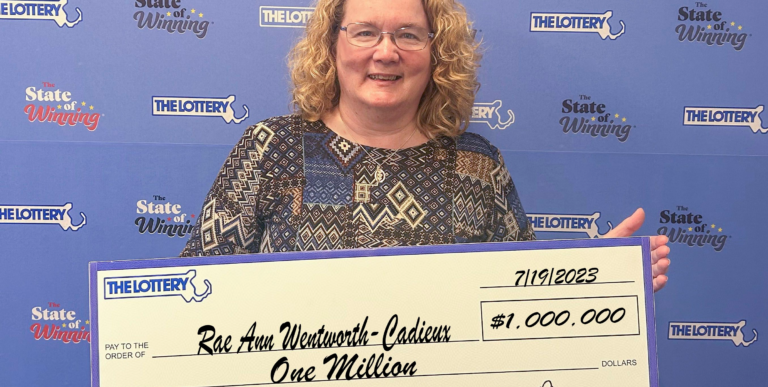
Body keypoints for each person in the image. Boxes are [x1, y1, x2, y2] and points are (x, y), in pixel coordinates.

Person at [180, 0, 670, 291]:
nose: (386, 51)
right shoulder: (273, 148)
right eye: (366, 31)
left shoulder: (475, 164)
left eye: (409, 35)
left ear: (437, 54)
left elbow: (520, 304)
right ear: (332, 45)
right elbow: (197, 289)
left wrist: (602, 281)